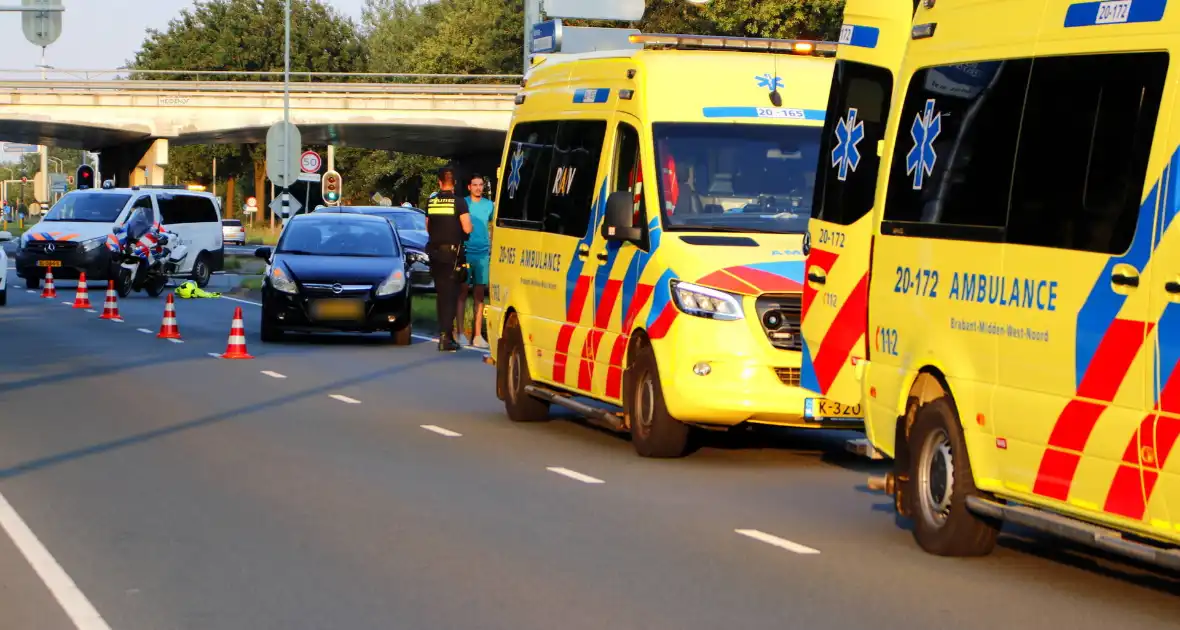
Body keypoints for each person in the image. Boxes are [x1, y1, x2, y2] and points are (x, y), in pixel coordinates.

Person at [425, 165, 472, 352]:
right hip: (453, 256)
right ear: (454, 184)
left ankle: (444, 333)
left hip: (436, 254)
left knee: (441, 294)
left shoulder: (432, 203)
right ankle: (446, 337)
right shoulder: (459, 203)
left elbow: (427, 227)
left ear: (439, 182)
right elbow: (467, 228)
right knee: (451, 295)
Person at [455, 173, 494, 348]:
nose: (478, 188)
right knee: (462, 292)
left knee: (479, 295)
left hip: (483, 254)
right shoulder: (463, 203)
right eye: (475, 185)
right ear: (469, 187)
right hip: (466, 253)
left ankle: (478, 335)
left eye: (481, 185)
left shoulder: (489, 205)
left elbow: (495, 224)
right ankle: (460, 333)